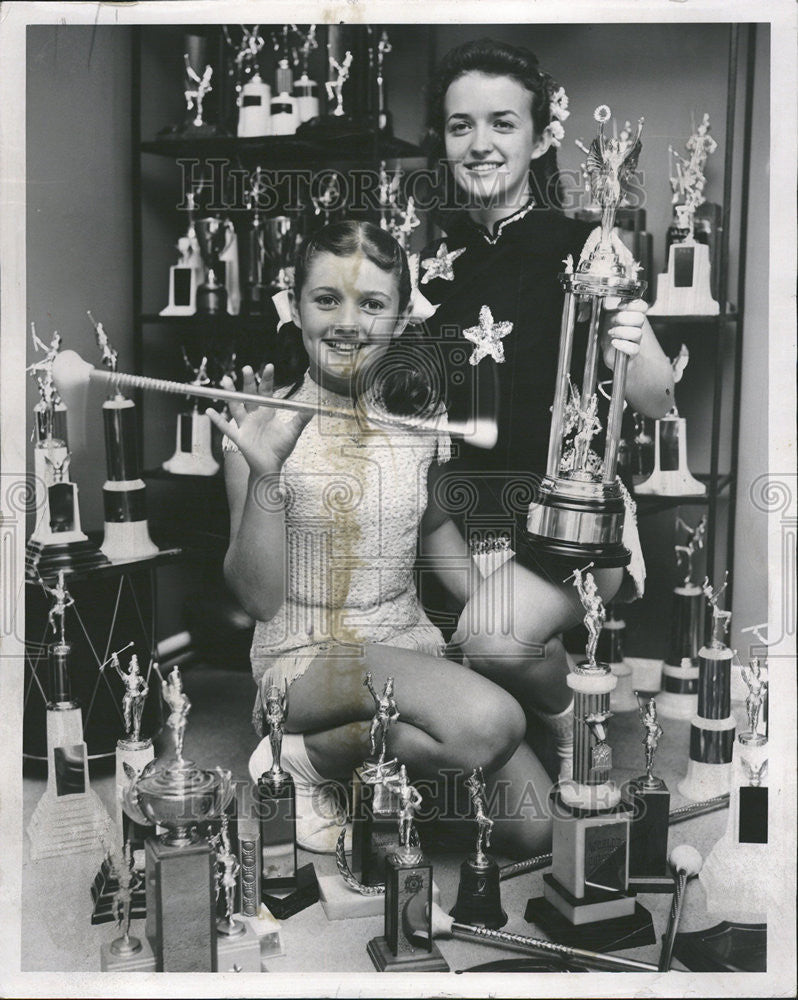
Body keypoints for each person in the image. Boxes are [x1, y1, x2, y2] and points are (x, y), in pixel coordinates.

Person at [208, 221, 551, 857]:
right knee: (489, 723)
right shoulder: (259, 428)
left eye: (371, 303)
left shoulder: (416, 426)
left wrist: (500, 621)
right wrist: (265, 472)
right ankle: (306, 756)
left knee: (535, 828)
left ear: (398, 320)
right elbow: (257, 599)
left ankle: (362, 770)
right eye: (327, 299)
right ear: (296, 308)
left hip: (405, 643)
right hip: (307, 657)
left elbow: (432, 526)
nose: (347, 322)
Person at [417, 38, 675, 778]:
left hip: (571, 521)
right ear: (443, 138)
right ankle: (541, 669)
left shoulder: (588, 248)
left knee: (489, 640)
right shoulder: (437, 268)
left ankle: (575, 728)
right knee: (465, 642)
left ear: (539, 136)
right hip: (464, 519)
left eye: (502, 123)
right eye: (461, 126)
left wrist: (632, 336)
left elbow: (657, 400)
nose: (480, 144)